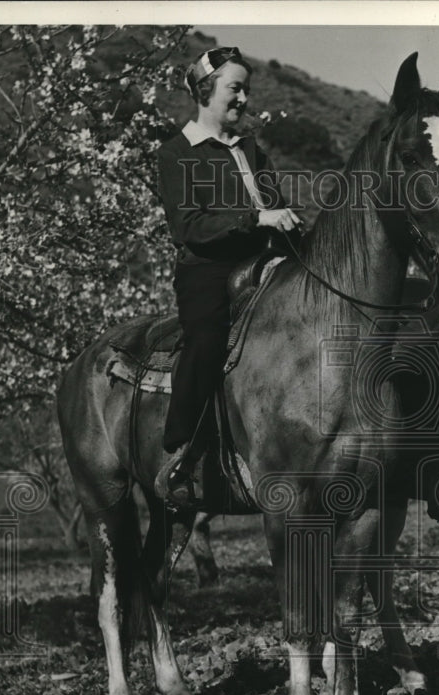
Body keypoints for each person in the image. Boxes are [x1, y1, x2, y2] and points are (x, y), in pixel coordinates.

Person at [155, 46, 301, 505]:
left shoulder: (252, 150)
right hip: (208, 272)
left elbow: (276, 209)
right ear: (205, 90)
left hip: (265, 267)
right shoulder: (176, 153)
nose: (243, 98)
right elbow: (188, 227)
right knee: (206, 341)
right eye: (235, 88)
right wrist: (255, 219)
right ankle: (182, 453)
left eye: (246, 90)